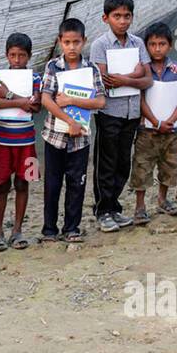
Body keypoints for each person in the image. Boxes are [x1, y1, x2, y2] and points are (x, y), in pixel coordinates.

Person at [89, 0, 153, 232]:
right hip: (109, 112)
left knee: (123, 162)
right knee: (105, 163)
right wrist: (134, 75)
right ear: (106, 18)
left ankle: (114, 207)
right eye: (117, 16)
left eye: (127, 16)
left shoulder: (137, 43)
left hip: (132, 111)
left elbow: (147, 80)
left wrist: (127, 78)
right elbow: (104, 81)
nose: (123, 21)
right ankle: (102, 209)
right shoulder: (100, 45)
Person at [40, 18, 105, 244]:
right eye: (67, 42)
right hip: (55, 136)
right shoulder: (53, 67)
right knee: (52, 183)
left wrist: (71, 99)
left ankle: (72, 228)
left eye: (76, 42)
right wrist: (70, 120)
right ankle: (49, 229)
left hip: (81, 139)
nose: (71, 47)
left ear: (83, 41)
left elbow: (100, 102)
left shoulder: (91, 69)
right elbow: (46, 99)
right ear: (60, 42)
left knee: (77, 182)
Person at [131, 22, 177, 221]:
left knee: (169, 165)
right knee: (142, 166)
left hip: (171, 130)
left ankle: (162, 199)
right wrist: (156, 122)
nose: (157, 48)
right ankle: (140, 206)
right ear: (146, 46)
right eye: (153, 44)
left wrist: (170, 121)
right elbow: (139, 99)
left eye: (162, 44)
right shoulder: (142, 70)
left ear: (170, 46)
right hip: (147, 129)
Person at [0, 32, 42, 250]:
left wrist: (8, 96)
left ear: (28, 56)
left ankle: (17, 230)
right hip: (2, 140)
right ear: (7, 55)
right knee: (2, 184)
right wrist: (22, 101)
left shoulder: (35, 78)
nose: (17, 60)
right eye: (13, 55)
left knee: (23, 183)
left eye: (21, 55)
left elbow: (36, 107)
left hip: (26, 140)